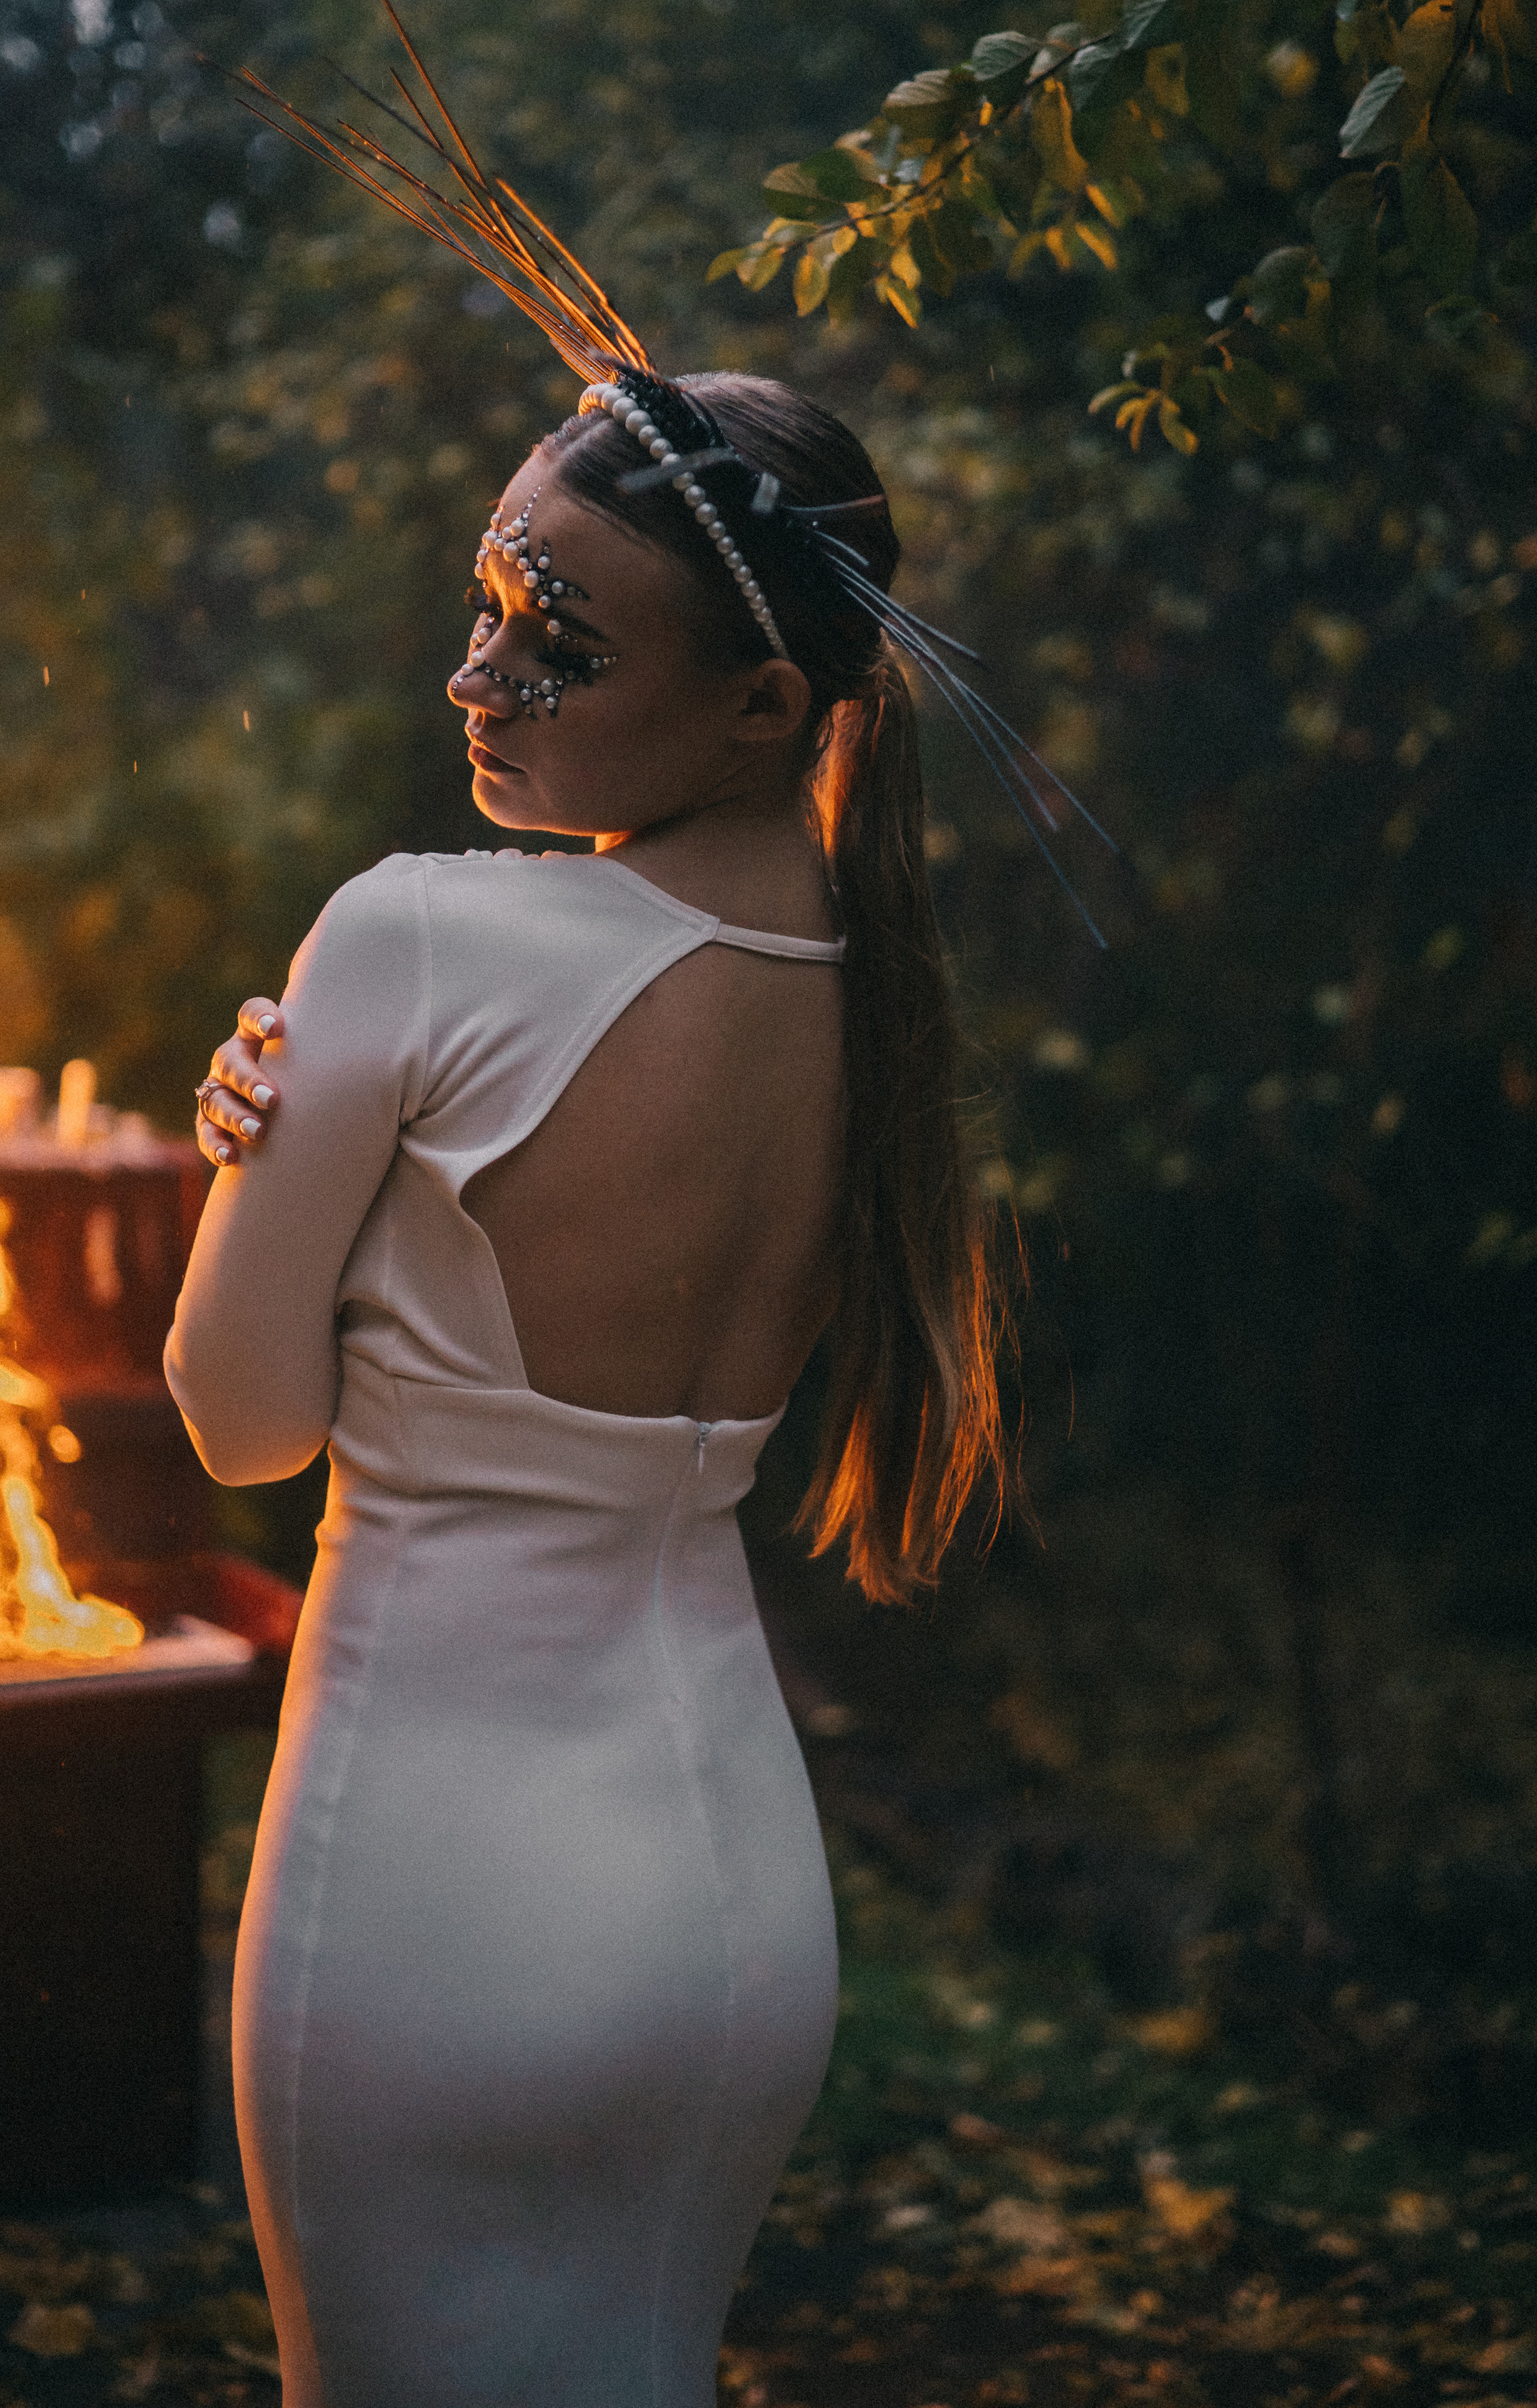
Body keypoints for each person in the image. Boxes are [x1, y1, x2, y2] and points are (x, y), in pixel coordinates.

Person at [166, 367, 1011, 2407]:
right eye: (489, 607)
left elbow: (240, 1419)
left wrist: (253, 1176)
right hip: (723, 1888)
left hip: (431, 1877)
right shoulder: (882, 1003)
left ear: (760, 710)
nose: (481, 678)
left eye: (560, 645)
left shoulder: (418, 940)